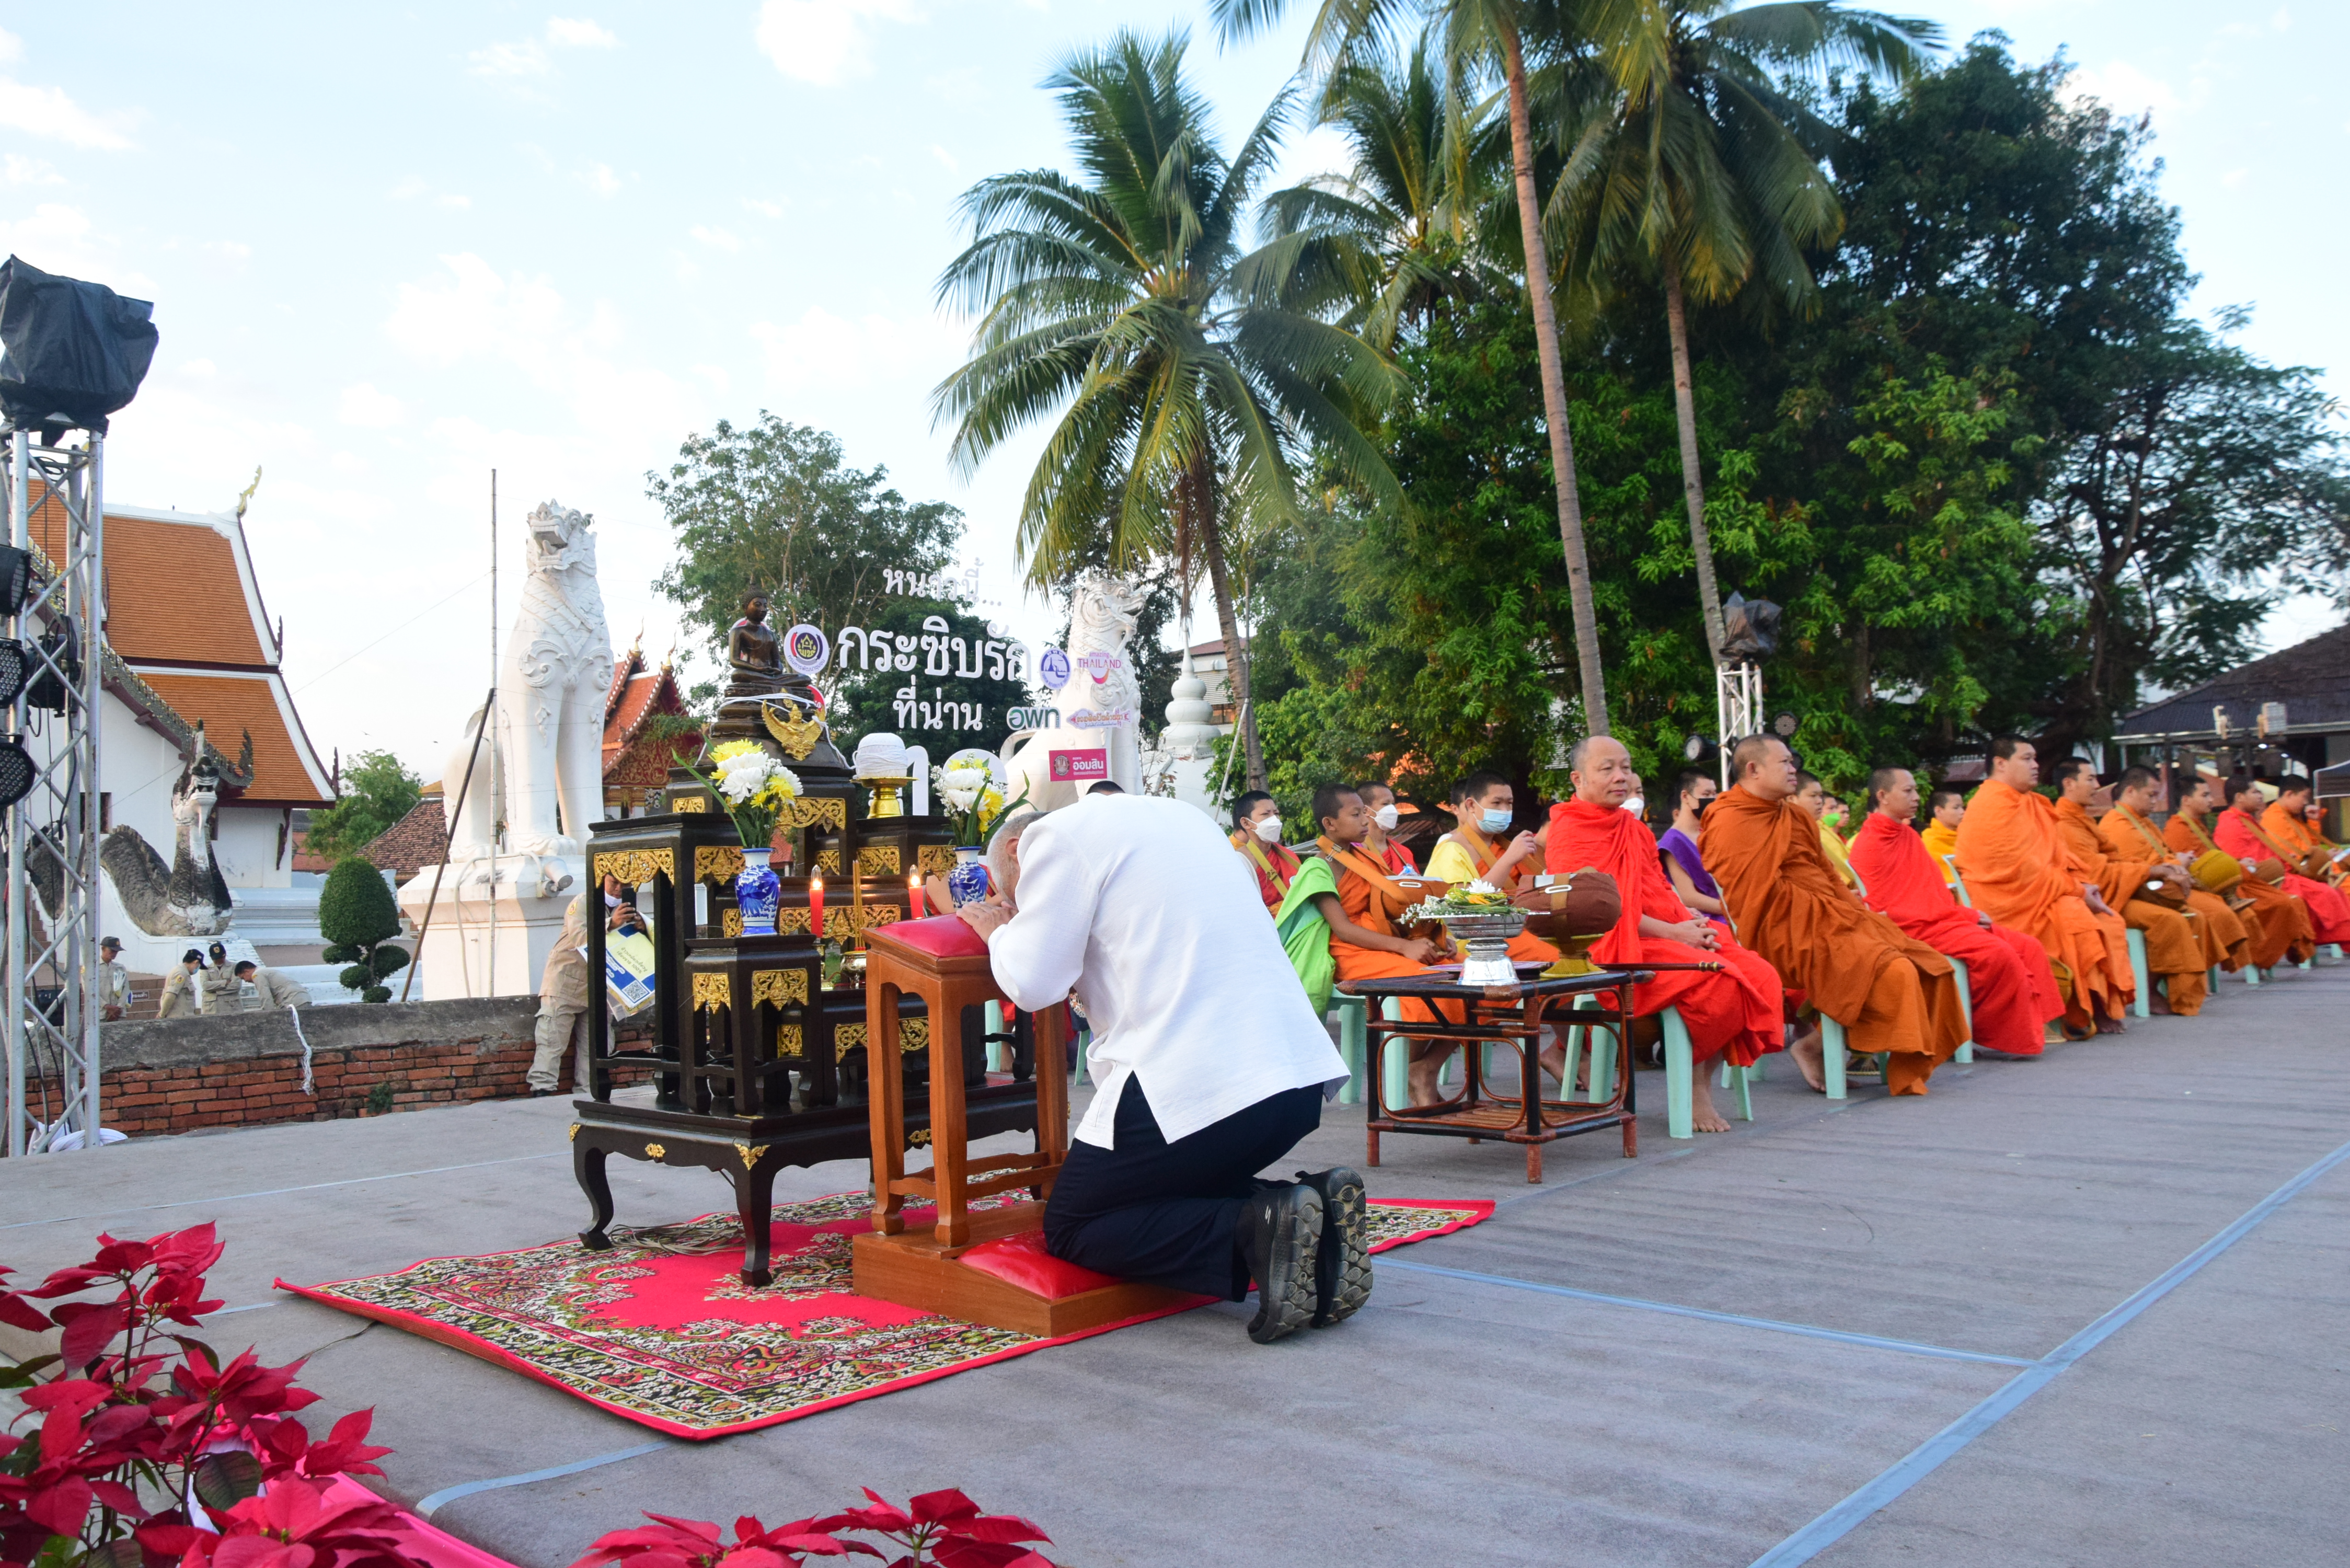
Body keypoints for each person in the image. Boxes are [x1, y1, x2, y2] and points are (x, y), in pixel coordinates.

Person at [962, 797, 1363, 1346]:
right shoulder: (1185, 818)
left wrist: (998, 932)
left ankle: (1257, 1227)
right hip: (1291, 1081)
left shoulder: (1051, 840)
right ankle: (1321, 1225)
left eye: (1014, 895)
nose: (1016, 906)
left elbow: (1033, 983)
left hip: (1200, 1084)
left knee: (1075, 1224)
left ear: (1014, 849)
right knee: (1174, 1185)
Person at [1701, 735, 1967, 1095]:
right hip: (1778, 928)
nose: (1793, 770)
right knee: (1892, 969)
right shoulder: (1729, 819)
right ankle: (1817, 1047)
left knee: (1928, 963)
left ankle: (1817, 1044)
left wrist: (1850, 909)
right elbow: (1749, 896)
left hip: (1830, 916)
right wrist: (1825, 910)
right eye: (1785, 763)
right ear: (1753, 769)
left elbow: (1826, 873)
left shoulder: (1795, 815)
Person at [1548, 738, 1784, 1127]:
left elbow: (1657, 887)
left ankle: (1701, 1077)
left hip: (1663, 931)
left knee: (1761, 974)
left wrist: (1687, 919)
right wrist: (1676, 934)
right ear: (1578, 779)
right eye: (1607, 769)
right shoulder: (1571, 830)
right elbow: (1601, 912)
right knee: (1718, 977)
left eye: (1626, 767)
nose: (1621, 777)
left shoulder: (1634, 828)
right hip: (1613, 945)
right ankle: (1695, 1087)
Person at [1846, 767, 2063, 1056]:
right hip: (1911, 927)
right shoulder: (1871, 843)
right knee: (1999, 954)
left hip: (1939, 919)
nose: (1916, 797)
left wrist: (1962, 915)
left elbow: (1932, 892)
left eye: (1916, 790)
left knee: (2028, 946)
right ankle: (1977, 1031)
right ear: (1883, 796)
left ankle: (2035, 1024)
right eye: (1908, 791)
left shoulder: (1908, 835)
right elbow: (1888, 907)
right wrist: (1965, 917)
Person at [1953, 737, 2132, 1037]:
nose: (2036, 765)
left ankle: (2094, 1004)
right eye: (2027, 759)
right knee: (2076, 919)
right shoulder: (1992, 805)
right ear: (2001, 764)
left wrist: (2081, 885)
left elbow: (2059, 857)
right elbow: (2020, 871)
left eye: (2035, 758)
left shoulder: (2030, 802)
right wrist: (2077, 892)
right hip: (2005, 900)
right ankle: (2078, 1011)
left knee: (2108, 922)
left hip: (2040, 891)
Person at [1305, 785, 1461, 1106]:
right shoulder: (1318, 867)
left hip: (1388, 942)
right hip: (1350, 952)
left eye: (1365, 813)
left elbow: (1392, 909)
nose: (1366, 820)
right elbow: (1343, 929)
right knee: (1423, 982)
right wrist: (1403, 948)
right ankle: (1408, 1076)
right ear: (1329, 823)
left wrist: (1434, 938)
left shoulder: (1365, 857)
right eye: (1356, 814)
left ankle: (1425, 1069)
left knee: (1465, 977)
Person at [2049, 758, 2209, 1014]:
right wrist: (2151, 870)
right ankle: (2149, 992)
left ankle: (2178, 991)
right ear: (2069, 784)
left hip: (2117, 891)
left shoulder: (2082, 819)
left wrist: (2161, 869)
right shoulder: (2065, 822)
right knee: (2168, 920)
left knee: (2189, 914)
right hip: (2096, 898)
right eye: (2090, 779)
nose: (2097, 785)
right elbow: (2095, 873)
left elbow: (2114, 858)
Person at [2096, 766, 2252, 977]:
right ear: (2131, 791)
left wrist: (2178, 864)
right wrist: (2177, 865)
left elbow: (2162, 856)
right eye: (2151, 795)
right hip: (2146, 892)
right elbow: (2139, 868)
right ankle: (2174, 981)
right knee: (2211, 913)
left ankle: (2192, 977)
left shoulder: (2143, 822)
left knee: (2221, 905)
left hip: (2168, 884)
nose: (2155, 801)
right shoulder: (2117, 825)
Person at [2165, 776, 2314, 969]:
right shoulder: (2178, 829)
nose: (2211, 800)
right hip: (2213, 888)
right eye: (2205, 795)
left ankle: (2265, 956)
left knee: (2289, 901)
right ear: (2186, 800)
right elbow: (2193, 870)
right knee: (2280, 903)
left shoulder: (2197, 825)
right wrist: (2241, 865)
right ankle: (2257, 957)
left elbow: (2217, 860)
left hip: (2232, 882)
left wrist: (2241, 864)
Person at [1423, 771, 1562, 973]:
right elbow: (1464, 907)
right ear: (1471, 805)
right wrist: (1509, 859)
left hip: (1515, 930)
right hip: (1474, 939)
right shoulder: (1452, 849)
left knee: (1572, 950)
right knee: (1553, 958)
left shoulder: (1503, 846)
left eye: (1509, 803)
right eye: (1497, 803)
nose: (1504, 810)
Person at [528, 873, 638, 1097]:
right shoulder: (584, 902)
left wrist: (640, 928)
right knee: (552, 1041)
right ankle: (542, 1091)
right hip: (566, 981)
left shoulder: (629, 908)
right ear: (603, 880)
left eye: (625, 884)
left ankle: (587, 1094)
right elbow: (580, 938)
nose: (619, 889)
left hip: (601, 987)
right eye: (614, 883)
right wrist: (611, 923)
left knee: (596, 1046)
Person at [2216, 776, 2350, 944]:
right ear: (2240, 797)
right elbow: (2243, 863)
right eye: (2255, 792)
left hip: (2285, 872)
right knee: (2326, 893)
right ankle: (2335, 938)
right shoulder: (2231, 824)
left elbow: (2283, 849)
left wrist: (2287, 857)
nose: (2261, 796)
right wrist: (2283, 862)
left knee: (2331, 892)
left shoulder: (2248, 820)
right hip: (2266, 881)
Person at [1657, 770, 1729, 926]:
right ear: (1685, 797)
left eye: (1714, 793)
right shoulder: (1673, 841)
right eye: (1706, 794)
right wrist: (1733, 910)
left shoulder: (1711, 833)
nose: (1712, 799)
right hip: (1710, 920)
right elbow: (1689, 897)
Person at [1228, 791, 1299, 916]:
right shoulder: (1240, 862)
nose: (1274, 819)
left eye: (1276, 813)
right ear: (1246, 823)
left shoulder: (1287, 855)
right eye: (1266, 814)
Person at [2264, 778, 2346, 885]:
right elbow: (2298, 861)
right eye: (2304, 797)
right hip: (2305, 876)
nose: (2306, 802)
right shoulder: (2275, 820)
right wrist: (2325, 856)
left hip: (2320, 870)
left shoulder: (2292, 816)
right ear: (2290, 794)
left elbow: (2311, 846)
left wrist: (2313, 821)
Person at [1795, 771, 1859, 889]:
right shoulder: (1796, 831)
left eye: (1820, 796)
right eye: (1813, 796)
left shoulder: (1818, 829)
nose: (1819, 801)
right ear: (1792, 799)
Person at [1356, 781, 1418, 875]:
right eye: (1385, 804)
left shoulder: (1404, 853)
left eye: (1393, 804)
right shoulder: (1353, 850)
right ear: (1366, 810)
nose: (1392, 810)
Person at [1919, 788, 1966, 887]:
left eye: (1962, 807)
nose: (1962, 812)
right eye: (1956, 808)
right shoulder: (1930, 842)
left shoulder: (1967, 836)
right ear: (1939, 811)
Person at [233, 959, 312, 1009]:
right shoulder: (265, 971)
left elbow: (265, 996)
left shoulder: (257, 975)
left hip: (293, 1001)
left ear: (247, 972)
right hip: (303, 999)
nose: (246, 981)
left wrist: (268, 1014)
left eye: (243, 978)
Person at [158, 950, 204, 1020]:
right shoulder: (181, 973)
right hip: (179, 1018)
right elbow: (171, 995)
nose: (198, 968)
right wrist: (162, 1015)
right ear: (196, 962)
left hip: (182, 1018)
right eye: (198, 966)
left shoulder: (182, 971)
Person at [198, 941, 241, 1014]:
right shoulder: (206, 969)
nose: (218, 961)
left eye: (220, 958)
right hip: (212, 1008)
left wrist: (214, 990)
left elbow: (236, 985)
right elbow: (205, 986)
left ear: (225, 955)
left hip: (231, 1007)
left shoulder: (234, 967)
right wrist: (225, 983)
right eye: (216, 959)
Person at [98, 936, 130, 1022]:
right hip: (100, 1013)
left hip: (118, 1014)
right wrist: (106, 1006)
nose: (114, 954)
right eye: (112, 951)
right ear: (103, 949)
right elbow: (90, 991)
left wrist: (118, 1008)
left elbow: (126, 989)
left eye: (116, 951)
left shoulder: (120, 968)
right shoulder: (92, 968)